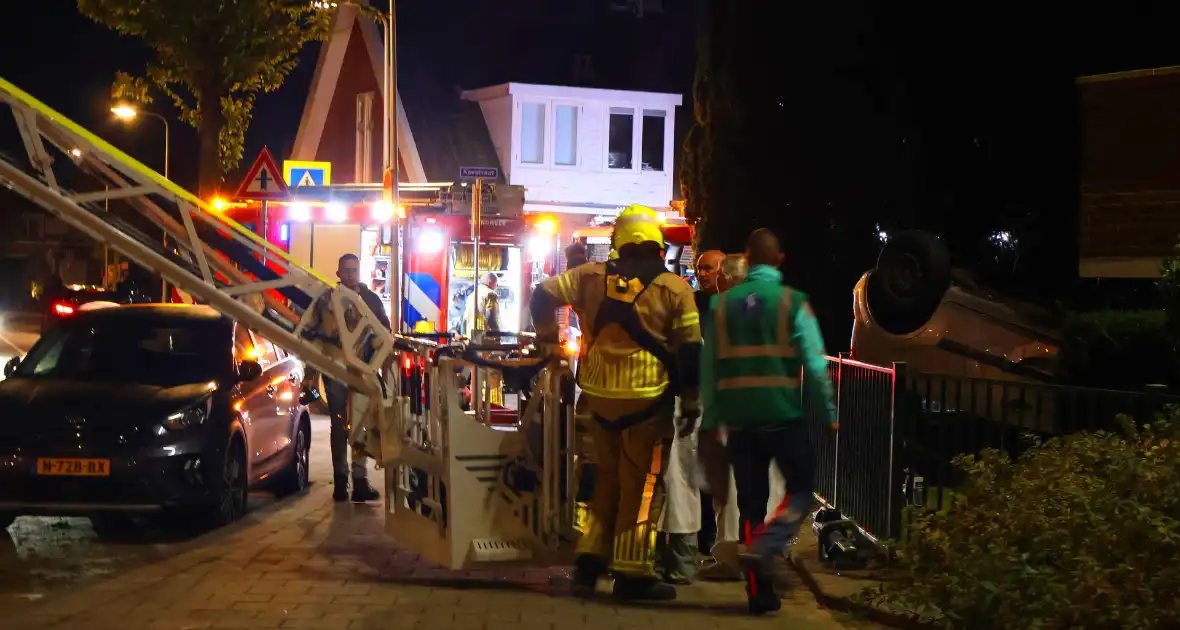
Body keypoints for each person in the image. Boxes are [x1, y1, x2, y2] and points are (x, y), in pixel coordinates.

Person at [529, 204, 702, 601]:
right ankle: (632, 573)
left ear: (617, 242)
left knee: (601, 479)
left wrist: (549, 342)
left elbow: (542, 296)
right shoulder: (674, 289)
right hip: (648, 402)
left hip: (597, 400)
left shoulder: (588, 277)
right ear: (657, 244)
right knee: (641, 487)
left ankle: (589, 562)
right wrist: (691, 399)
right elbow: (690, 350)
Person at [702, 229, 838, 615]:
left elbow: (709, 369)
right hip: (781, 416)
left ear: (747, 257)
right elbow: (813, 363)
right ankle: (765, 546)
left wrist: (712, 420)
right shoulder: (793, 302)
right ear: (780, 260)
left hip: (739, 421)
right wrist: (827, 412)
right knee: (799, 490)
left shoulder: (720, 306)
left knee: (750, 506)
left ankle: (759, 592)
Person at [300, 253, 390, 503]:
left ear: (359, 272)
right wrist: (311, 372)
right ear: (338, 273)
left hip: (361, 370)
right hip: (334, 369)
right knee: (339, 425)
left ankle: (359, 481)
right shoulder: (326, 300)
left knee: (360, 424)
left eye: (354, 269)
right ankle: (341, 481)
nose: (350, 274)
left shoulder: (370, 300)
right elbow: (312, 337)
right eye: (346, 270)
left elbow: (385, 331)